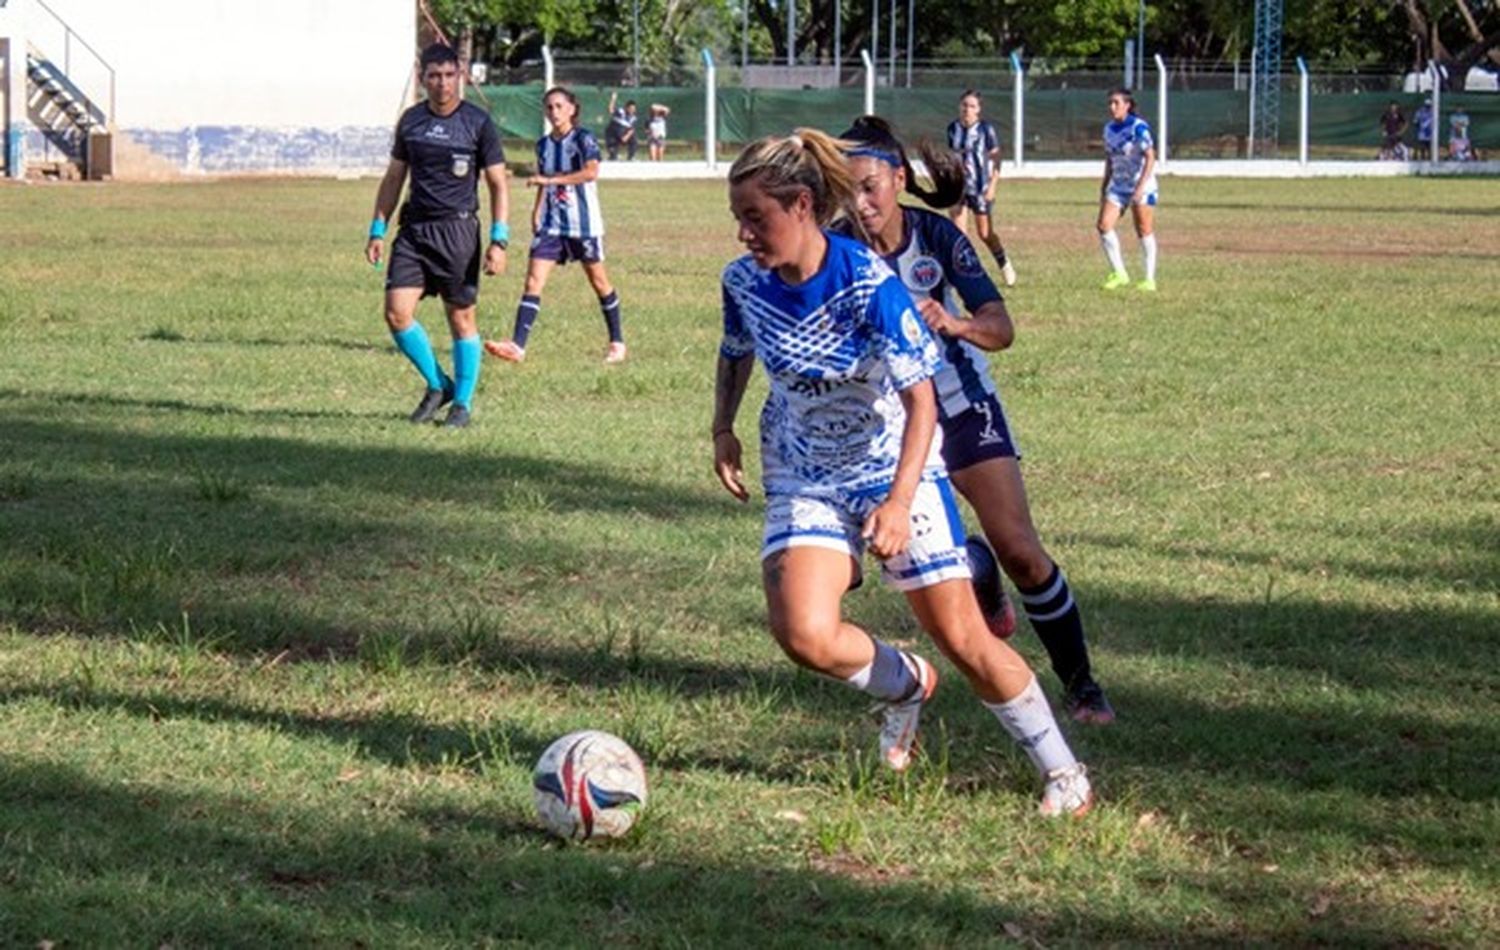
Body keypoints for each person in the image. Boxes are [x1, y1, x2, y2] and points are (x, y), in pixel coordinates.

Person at [712, 128, 1094, 816]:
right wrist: (722, 427)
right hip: (804, 474)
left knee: (965, 640)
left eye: (755, 218)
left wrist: (897, 499)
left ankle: (1064, 773)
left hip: (896, 468)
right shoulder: (743, 282)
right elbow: (735, 348)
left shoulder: (868, 284)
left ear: (800, 204)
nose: (744, 235)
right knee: (803, 633)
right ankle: (905, 685)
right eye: (738, 218)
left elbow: (922, 400)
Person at [840, 115, 1115, 724]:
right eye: (848, 189)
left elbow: (1002, 326)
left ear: (899, 179)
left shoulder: (937, 237)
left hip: (962, 406)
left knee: (1021, 550)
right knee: (909, 566)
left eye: (870, 187)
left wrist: (956, 323)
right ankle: (974, 573)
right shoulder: (836, 247)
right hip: (888, 423)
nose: (860, 204)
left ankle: (1082, 684)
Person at [366, 42, 509, 428]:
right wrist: (378, 228)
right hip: (414, 231)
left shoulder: (477, 123)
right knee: (397, 313)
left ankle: (461, 404)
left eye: (449, 75)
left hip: (458, 231)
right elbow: (394, 178)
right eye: (435, 76)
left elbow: (498, 184)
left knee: (461, 318)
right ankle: (438, 384)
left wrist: (500, 239)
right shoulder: (411, 121)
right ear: (423, 78)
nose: (443, 84)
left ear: (460, 76)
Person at [485, 86, 626, 365]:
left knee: (599, 282)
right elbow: (543, 177)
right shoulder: (543, 145)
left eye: (560, 106)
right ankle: (517, 346)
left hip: (583, 225)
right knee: (533, 281)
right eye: (549, 107)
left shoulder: (584, 139)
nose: (554, 112)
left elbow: (591, 172)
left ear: (572, 109)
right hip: (552, 225)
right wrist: (538, 208)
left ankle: (617, 342)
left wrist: (548, 182)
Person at [945, 90, 1016, 287]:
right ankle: (963, 274)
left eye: (972, 106)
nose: (967, 110)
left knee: (985, 234)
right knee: (958, 235)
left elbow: (996, 157)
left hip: (980, 187)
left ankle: (1004, 263)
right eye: (964, 105)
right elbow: (952, 157)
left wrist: (992, 185)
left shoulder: (986, 130)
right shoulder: (952, 129)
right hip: (959, 187)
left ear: (979, 110)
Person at [1097, 88, 1158, 293]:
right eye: (1110, 103)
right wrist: (1105, 184)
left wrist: (1140, 187)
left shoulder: (1138, 128)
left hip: (1141, 185)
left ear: (1127, 105)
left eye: (1116, 103)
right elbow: (1110, 158)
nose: (1112, 107)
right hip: (1118, 185)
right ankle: (1120, 273)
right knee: (1104, 226)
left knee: (1143, 230)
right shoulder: (1108, 129)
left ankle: (1149, 279)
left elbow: (1150, 156)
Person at [605, 92, 638, 161]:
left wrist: (626, 137)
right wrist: (613, 99)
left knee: (633, 137)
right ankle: (613, 154)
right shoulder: (620, 112)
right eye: (630, 108)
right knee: (613, 157)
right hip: (613, 135)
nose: (632, 110)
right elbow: (610, 110)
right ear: (626, 107)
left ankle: (631, 156)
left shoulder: (633, 118)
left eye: (633, 109)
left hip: (624, 135)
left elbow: (631, 130)